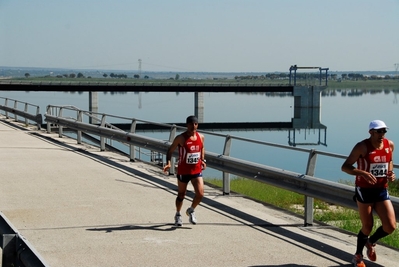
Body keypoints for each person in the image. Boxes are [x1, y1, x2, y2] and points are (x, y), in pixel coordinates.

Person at [341, 120, 396, 267]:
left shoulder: (389, 145)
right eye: (379, 131)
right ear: (370, 132)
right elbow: (345, 167)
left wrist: (390, 173)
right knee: (367, 226)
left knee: (390, 226)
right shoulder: (362, 147)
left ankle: (370, 242)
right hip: (364, 189)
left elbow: (389, 161)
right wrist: (362, 173)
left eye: (384, 131)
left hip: (381, 189)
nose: (382, 134)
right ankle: (358, 256)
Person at [163, 115, 206, 226]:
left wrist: (202, 160)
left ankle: (191, 210)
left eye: (195, 124)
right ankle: (178, 214)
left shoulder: (201, 137)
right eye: (191, 124)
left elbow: (202, 148)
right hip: (183, 171)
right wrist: (168, 162)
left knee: (200, 194)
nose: (193, 126)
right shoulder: (180, 138)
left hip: (196, 170)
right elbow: (170, 150)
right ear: (187, 125)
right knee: (182, 194)